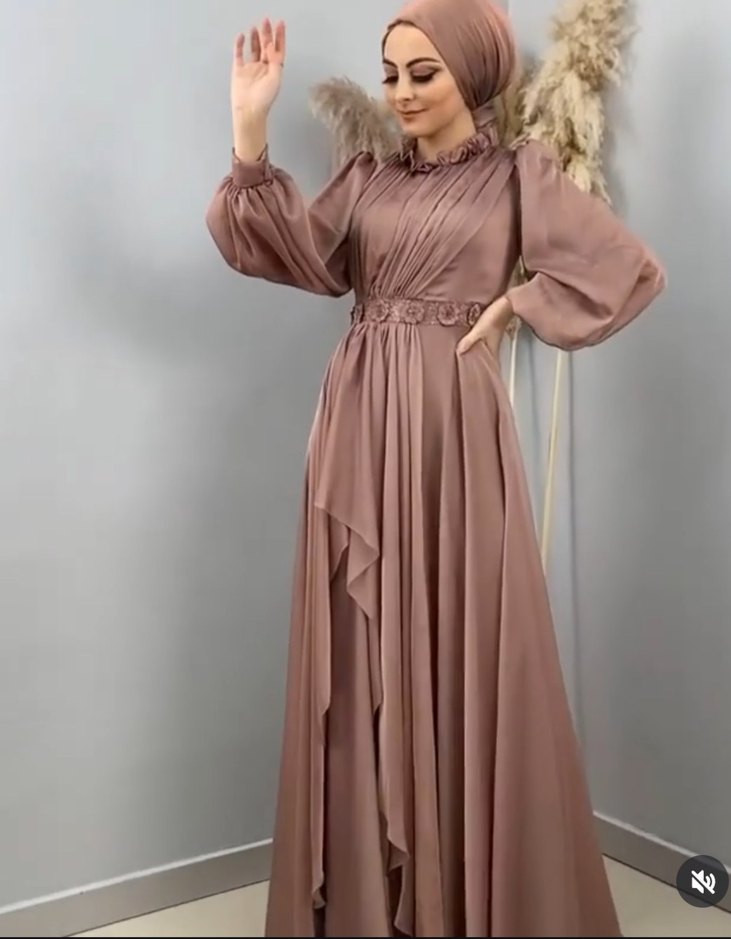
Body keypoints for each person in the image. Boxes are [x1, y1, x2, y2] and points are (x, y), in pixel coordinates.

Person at [205, 0, 666, 934]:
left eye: (424, 73)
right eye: (392, 75)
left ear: (473, 74)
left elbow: (626, 269)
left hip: (454, 428)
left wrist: (518, 304)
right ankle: (369, 896)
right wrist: (250, 131)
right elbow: (285, 249)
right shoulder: (367, 179)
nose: (403, 94)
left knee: (467, 633)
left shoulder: (518, 174)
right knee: (360, 645)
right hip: (357, 423)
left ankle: (464, 893)